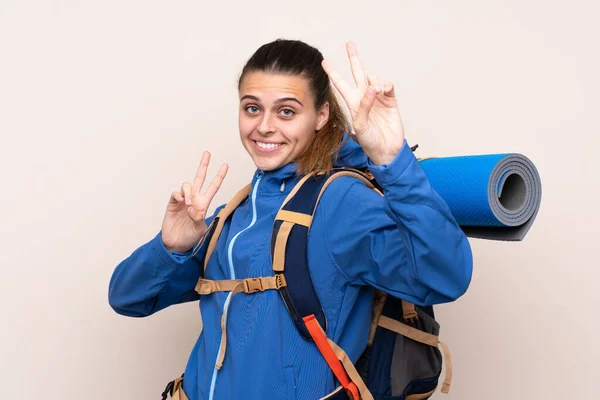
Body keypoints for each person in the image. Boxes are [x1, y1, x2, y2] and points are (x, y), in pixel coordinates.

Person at [108, 39, 473, 400]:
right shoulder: (238, 212)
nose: (264, 126)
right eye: (252, 108)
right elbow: (128, 298)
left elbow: (445, 277)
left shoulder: (341, 203)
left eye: (286, 111)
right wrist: (170, 248)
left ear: (322, 116)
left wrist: (393, 161)